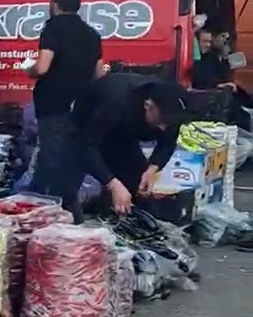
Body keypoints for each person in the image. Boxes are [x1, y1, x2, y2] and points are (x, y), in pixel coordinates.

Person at [60, 73, 187, 220]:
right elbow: (86, 146)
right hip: (84, 131)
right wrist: (112, 183)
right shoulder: (116, 103)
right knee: (67, 189)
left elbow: (168, 142)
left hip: (124, 135)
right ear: (148, 106)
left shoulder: (171, 107)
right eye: (160, 121)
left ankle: (121, 223)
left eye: (169, 123)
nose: (164, 128)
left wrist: (153, 169)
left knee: (138, 187)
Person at [28, 0, 104, 200]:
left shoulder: (52, 28)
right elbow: (100, 73)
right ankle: (69, 202)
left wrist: (29, 70)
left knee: (51, 155)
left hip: (53, 103)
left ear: (55, 5)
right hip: (81, 105)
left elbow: (42, 66)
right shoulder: (92, 33)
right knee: (72, 155)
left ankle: (45, 202)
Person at [190, 28, 252, 130]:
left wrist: (224, 59)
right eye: (205, 42)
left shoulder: (212, 58)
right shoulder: (197, 62)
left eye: (210, 42)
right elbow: (200, 80)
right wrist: (218, 85)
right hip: (209, 98)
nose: (208, 45)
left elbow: (221, 73)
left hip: (221, 95)